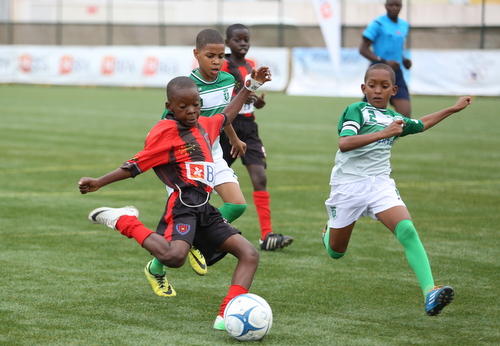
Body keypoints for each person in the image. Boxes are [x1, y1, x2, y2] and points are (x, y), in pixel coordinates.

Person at [78, 69, 271, 330]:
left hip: (205, 208)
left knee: (249, 254)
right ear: (169, 106)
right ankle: (124, 220)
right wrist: (99, 182)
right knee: (175, 257)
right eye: (184, 106)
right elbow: (135, 165)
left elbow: (228, 113)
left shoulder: (205, 124)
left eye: (196, 105)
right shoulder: (165, 132)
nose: (191, 111)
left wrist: (251, 85)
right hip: (183, 207)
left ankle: (226, 315)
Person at [322, 63, 471, 316]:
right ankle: (328, 232)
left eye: (383, 86)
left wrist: (453, 109)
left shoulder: (395, 118)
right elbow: (345, 143)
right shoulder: (357, 110)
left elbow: (420, 124)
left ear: (394, 90)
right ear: (363, 88)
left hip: (380, 184)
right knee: (336, 252)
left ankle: (430, 292)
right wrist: (383, 133)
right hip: (348, 187)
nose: (377, 91)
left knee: (407, 230)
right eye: (372, 86)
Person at [158, 29, 249, 280]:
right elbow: (167, 128)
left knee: (237, 204)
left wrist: (234, 138)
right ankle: (156, 268)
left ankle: (201, 240)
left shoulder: (228, 80)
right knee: (181, 231)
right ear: (196, 54)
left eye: (221, 56)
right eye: (211, 56)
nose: (217, 61)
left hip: (214, 154)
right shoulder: (186, 88)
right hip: (187, 162)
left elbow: (223, 115)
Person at [220, 23, 293, 251]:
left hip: (249, 128)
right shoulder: (223, 66)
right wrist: (241, 95)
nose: (243, 43)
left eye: (246, 39)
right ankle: (203, 224)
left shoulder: (251, 65)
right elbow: (222, 95)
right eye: (238, 40)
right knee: (209, 179)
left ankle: (266, 236)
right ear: (228, 42)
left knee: (259, 176)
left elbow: (249, 94)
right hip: (227, 128)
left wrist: (257, 102)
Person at [359, 0, 412, 118]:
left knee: (405, 115)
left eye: (397, 5)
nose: (394, 8)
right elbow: (363, 49)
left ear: (401, 6)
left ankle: (384, 137)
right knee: (368, 116)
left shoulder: (404, 25)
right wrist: (384, 61)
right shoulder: (378, 23)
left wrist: (404, 60)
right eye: (391, 5)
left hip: (396, 73)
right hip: (378, 72)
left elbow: (396, 47)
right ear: (386, 6)